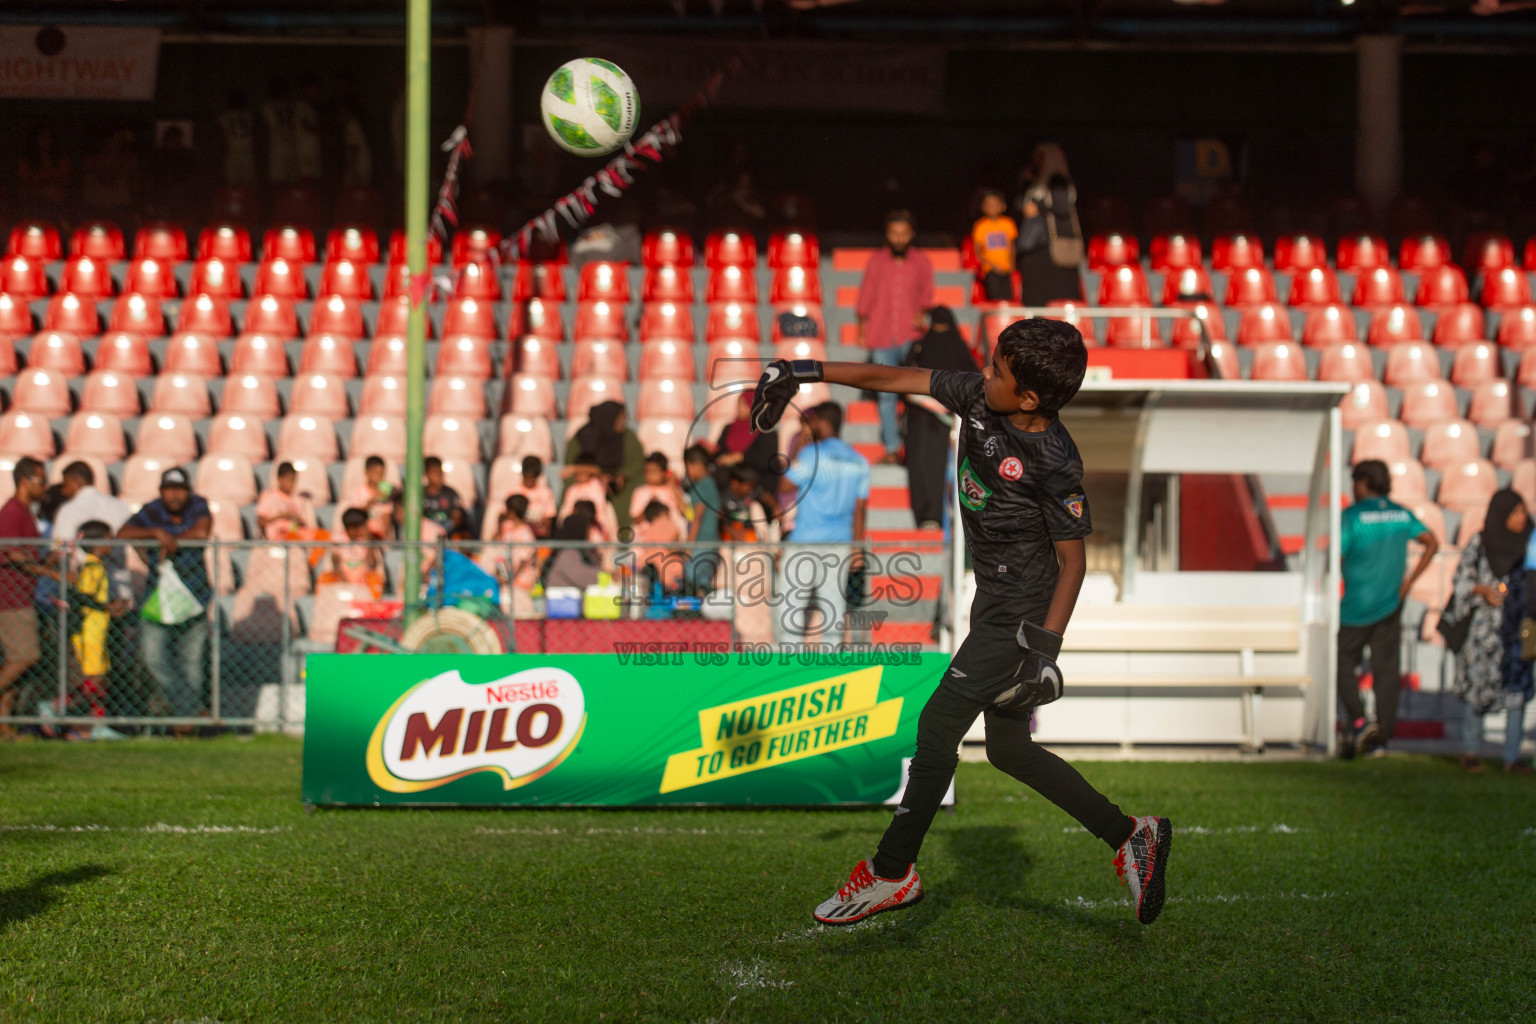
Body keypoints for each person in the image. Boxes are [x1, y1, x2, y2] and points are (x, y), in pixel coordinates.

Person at [749, 317, 1170, 927]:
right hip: (992, 600)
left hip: (1021, 614)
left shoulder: (1054, 457)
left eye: (998, 369)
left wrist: (1044, 653)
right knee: (1008, 751)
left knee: (938, 723)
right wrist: (802, 371)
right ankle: (1131, 834)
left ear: (1029, 397)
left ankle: (891, 873)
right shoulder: (977, 396)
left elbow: (1072, 562)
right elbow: (892, 376)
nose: (985, 372)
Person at [1337, 460, 1440, 758]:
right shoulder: (1401, 514)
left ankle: (1358, 721)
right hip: (1391, 606)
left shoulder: (1352, 517)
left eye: (1355, 482)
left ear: (1365, 482)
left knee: (1342, 661)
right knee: (1386, 673)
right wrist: (1408, 583)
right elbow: (1431, 542)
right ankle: (1381, 739)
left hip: (1355, 608)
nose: (1353, 489)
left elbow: (1339, 556)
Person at [1446, 489, 1535, 774]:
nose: (1522, 517)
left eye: (1524, 511)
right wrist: (1481, 590)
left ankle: (1512, 757)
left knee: (1516, 693)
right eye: (1516, 512)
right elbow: (1460, 580)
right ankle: (1470, 752)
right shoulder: (1482, 542)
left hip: (1518, 630)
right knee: (1478, 690)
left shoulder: (1531, 544)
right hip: (1483, 632)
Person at [118, 469, 212, 724]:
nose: (174, 495)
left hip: (194, 598)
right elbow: (122, 533)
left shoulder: (198, 505)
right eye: (169, 489)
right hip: (158, 600)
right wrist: (157, 534)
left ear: (189, 491)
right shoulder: (152, 511)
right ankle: (192, 714)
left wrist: (173, 541)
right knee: (153, 658)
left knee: (191, 665)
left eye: (180, 489)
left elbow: (202, 533)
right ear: (161, 491)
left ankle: (186, 722)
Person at [777, 402, 869, 645]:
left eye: (813, 421)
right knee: (833, 604)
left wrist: (799, 444)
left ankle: (789, 661)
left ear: (824, 424)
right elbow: (860, 508)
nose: (811, 425)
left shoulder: (811, 455)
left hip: (805, 542)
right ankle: (831, 659)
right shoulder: (858, 460)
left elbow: (785, 485)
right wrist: (857, 546)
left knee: (792, 603)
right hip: (839, 542)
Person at [856, 211, 935, 463]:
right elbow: (866, 295)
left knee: (914, 393)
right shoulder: (876, 261)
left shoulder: (921, 261)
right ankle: (891, 448)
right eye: (894, 233)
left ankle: (914, 447)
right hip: (881, 334)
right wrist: (861, 328)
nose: (898, 238)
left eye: (903, 233)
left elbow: (927, 293)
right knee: (886, 395)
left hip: (911, 335)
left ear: (911, 233)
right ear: (887, 234)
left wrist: (922, 314)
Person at [0, 459, 61, 737]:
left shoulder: (25, 512)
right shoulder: (12, 511)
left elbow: (26, 554)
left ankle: (4, 724)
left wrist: (48, 559)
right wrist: (50, 571)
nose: (45, 487)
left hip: (22, 597)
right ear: (25, 481)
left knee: (16, 660)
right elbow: (13, 555)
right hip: (10, 600)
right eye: (41, 481)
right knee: (26, 657)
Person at [903, 307, 976, 529]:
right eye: (937, 328)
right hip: (928, 415)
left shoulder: (922, 346)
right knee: (925, 464)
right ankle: (930, 516)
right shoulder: (926, 347)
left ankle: (939, 516)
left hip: (949, 418)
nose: (940, 334)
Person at [1015, 143, 1084, 305]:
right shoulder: (1036, 181)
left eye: (1040, 158)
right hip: (1037, 249)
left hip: (1052, 251)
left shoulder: (1058, 181)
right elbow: (1020, 203)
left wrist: (1038, 207)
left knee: (1053, 301)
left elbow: (1061, 207)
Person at [566, 401, 646, 529]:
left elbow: (637, 465)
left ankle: (624, 538)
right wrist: (597, 478)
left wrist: (622, 476)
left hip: (620, 489)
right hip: (587, 481)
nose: (624, 421)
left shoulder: (629, 437)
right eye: (620, 417)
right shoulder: (581, 437)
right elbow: (570, 467)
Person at [715, 390, 782, 496]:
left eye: (744, 404)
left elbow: (768, 461)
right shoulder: (729, 428)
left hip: (759, 483)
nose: (739, 407)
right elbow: (720, 451)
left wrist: (742, 457)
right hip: (731, 480)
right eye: (739, 403)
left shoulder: (767, 432)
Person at [682, 445, 723, 594]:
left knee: (692, 581)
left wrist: (689, 548)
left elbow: (696, 518)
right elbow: (688, 512)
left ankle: (693, 614)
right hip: (711, 543)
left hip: (700, 544)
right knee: (703, 586)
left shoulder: (700, 486)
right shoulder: (710, 483)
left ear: (698, 465)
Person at [319, 508, 384, 598]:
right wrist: (347, 585)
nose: (366, 529)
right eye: (363, 527)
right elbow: (336, 565)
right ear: (351, 529)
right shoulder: (338, 541)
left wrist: (368, 541)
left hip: (364, 586)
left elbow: (372, 565)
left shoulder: (369, 541)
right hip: (342, 583)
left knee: (374, 579)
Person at [558, 453, 620, 542]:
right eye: (578, 471)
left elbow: (598, 471)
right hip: (576, 529)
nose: (581, 473)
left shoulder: (598, 484)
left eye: (584, 470)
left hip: (597, 529)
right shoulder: (571, 490)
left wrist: (574, 468)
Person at [971, 189, 1018, 302]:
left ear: (1003, 206)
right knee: (995, 298)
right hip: (990, 270)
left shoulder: (1008, 223)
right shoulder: (980, 226)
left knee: (1008, 299)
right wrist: (991, 265)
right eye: (988, 204)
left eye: (995, 204)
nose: (992, 207)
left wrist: (1012, 263)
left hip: (1006, 269)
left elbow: (1012, 246)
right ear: (983, 207)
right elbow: (977, 251)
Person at [256, 462, 320, 542]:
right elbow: (261, 522)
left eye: (293, 479)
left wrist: (294, 519)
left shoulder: (298, 499)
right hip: (274, 540)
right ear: (279, 479)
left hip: (294, 535)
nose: (291, 483)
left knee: (322, 536)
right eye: (288, 479)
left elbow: (302, 524)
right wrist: (281, 516)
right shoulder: (268, 496)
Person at [629, 453, 689, 536]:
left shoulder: (673, 490)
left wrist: (674, 488)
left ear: (664, 472)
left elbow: (686, 513)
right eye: (647, 471)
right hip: (646, 541)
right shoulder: (640, 492)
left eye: (653, 471)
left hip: (671, 541)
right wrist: (650, 507)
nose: (649, 475)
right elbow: (636, 519)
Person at [502, 455, 556, 537]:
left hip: (537, 534)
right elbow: (505, 514)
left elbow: (549, 517)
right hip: (515, 534)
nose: (529, 480)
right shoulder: (513, 490)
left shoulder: (546, 492)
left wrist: (546, 536)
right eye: (526, 477)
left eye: (532, 477)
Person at [216, 90, 259, 188]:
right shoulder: (224, 117)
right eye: (235, 100)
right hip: (233, 153)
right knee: (232, 184)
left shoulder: (250, 116)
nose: (237, 102)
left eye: (239, 100)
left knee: (248, 185)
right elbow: (220, 137)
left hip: (247, 153)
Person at [351, 456, 397, 539]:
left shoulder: (386, 492)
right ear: (367, 473)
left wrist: (385, 537)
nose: (380, 477)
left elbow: (387, 515)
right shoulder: (359, 491)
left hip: (381, 536)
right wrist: (372, 500)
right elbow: (356, 516)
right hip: (365, 536)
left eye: (382, 473)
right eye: (376, 473)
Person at [420, 457, 465, 533]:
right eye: (434, 472)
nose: (439, 475)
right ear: (426, 474)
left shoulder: (450, 493)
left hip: (447, 534)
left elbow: (457, 518)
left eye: (440, 471)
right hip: (426, 533)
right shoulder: (420, 494)